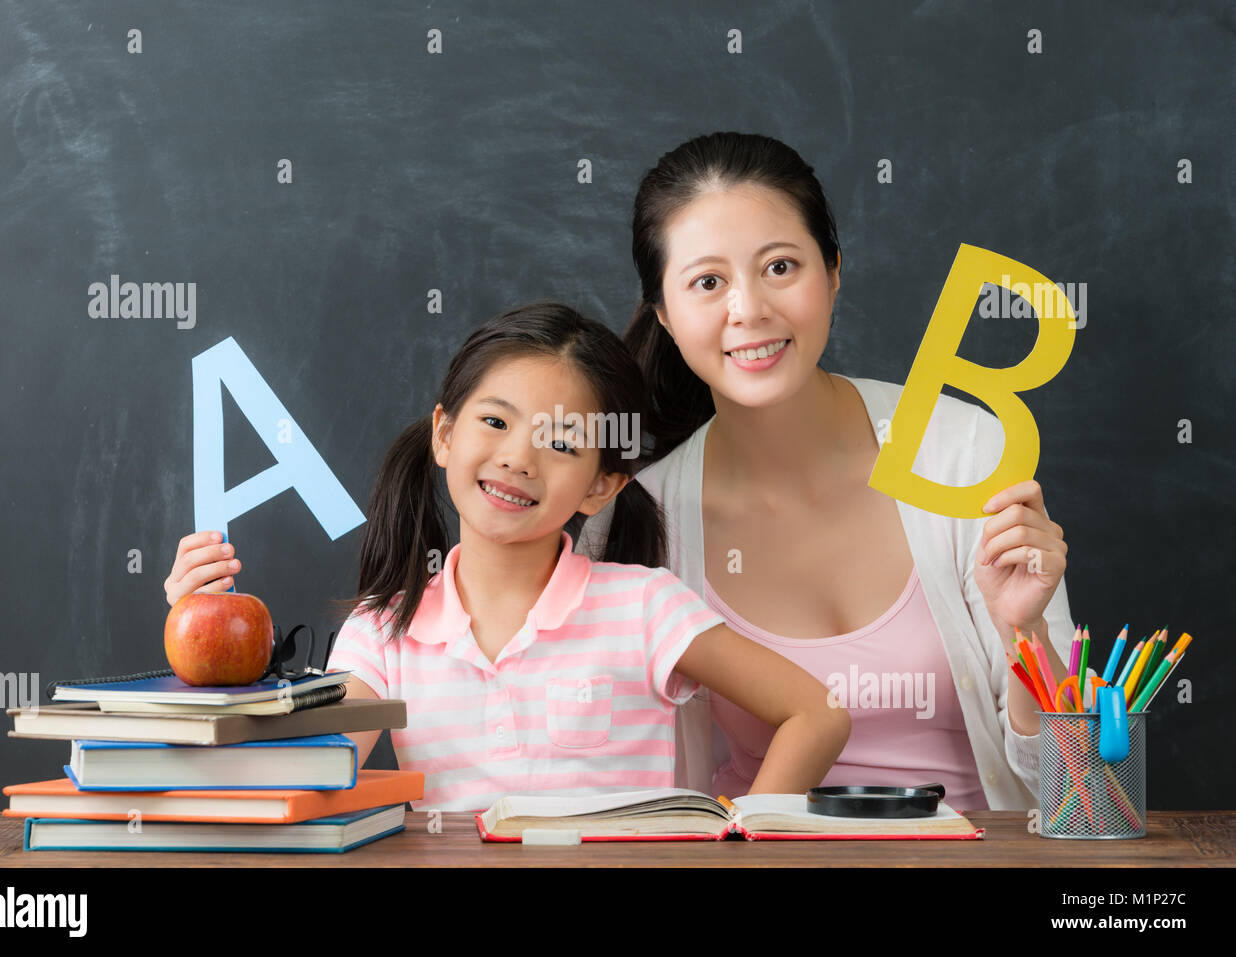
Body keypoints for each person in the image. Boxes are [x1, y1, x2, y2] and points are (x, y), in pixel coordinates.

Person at [164, 301, 849, 812]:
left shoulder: (643, 606)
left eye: (561, 442)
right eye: (495, 421)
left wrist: (736, 838)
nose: (519, 457)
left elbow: (817, 712)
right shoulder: (383, 632)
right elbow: (299, 773)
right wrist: (205, 648)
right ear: (444, 433)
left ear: (601, 485)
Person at [576, 131, 1079, 810]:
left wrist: (1027, 633)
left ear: (834, 269)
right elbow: (619, 790)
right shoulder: (637, 525)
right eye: (707, 282)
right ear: (664, 313)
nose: (749, 309)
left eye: (781, 266)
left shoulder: (961, 452)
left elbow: (1081, 792)